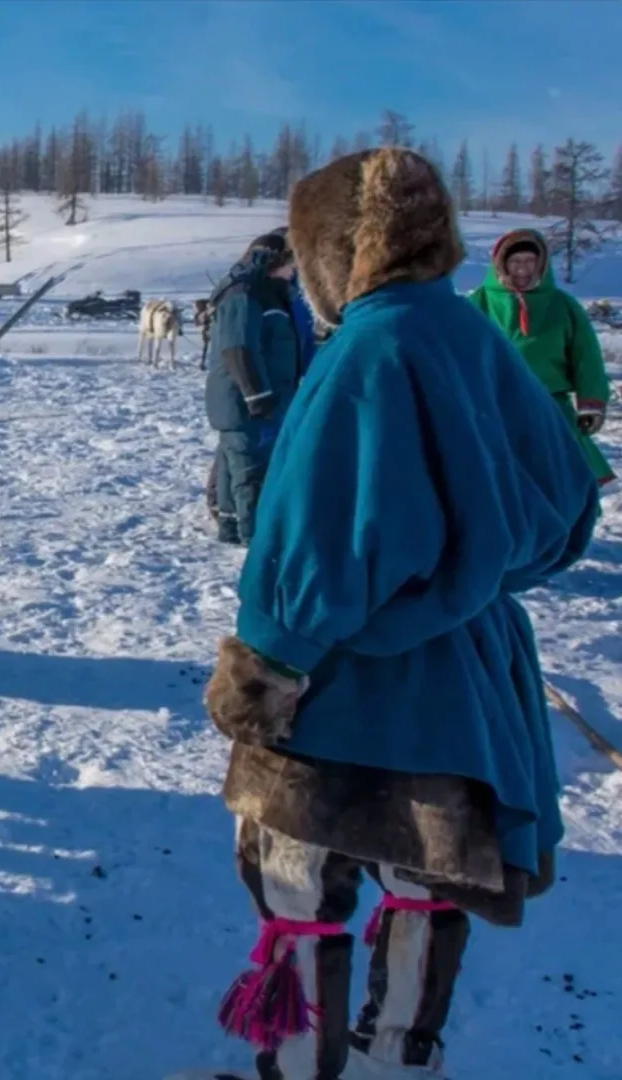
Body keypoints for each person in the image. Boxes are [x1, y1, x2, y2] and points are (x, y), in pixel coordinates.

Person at [183, 147, 599, 1080]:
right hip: (470, 679)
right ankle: (396, 1059)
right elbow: (572, 505)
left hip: (348, 685)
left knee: (295, 878)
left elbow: (318, 538)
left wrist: (265, 668)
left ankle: (298, 1067)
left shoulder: (365, 349)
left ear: (334, 252)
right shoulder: (473, 336)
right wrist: (475, 578)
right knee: (423, 879)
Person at [467, 228, 614, 486]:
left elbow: (586, 358)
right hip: (495, 408)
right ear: (501, 264)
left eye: (529, 262)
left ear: (541, 264)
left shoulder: (562, 305)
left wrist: (591, 402)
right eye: (515, 262)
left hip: (550, 407)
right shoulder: (479, 303)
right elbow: (458, 354)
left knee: (562, 481)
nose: (522, 270)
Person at [204, 230, 305, 545]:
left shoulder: (268, 293)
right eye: (292, 263)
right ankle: (256, 540)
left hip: (251, 401)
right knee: (251, 475)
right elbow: (238, 348)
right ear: (273, 260)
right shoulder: (245, 294)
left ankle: (231, 528)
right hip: (246, 402)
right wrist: (258, 397)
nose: (296, 271)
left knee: (234, 468)